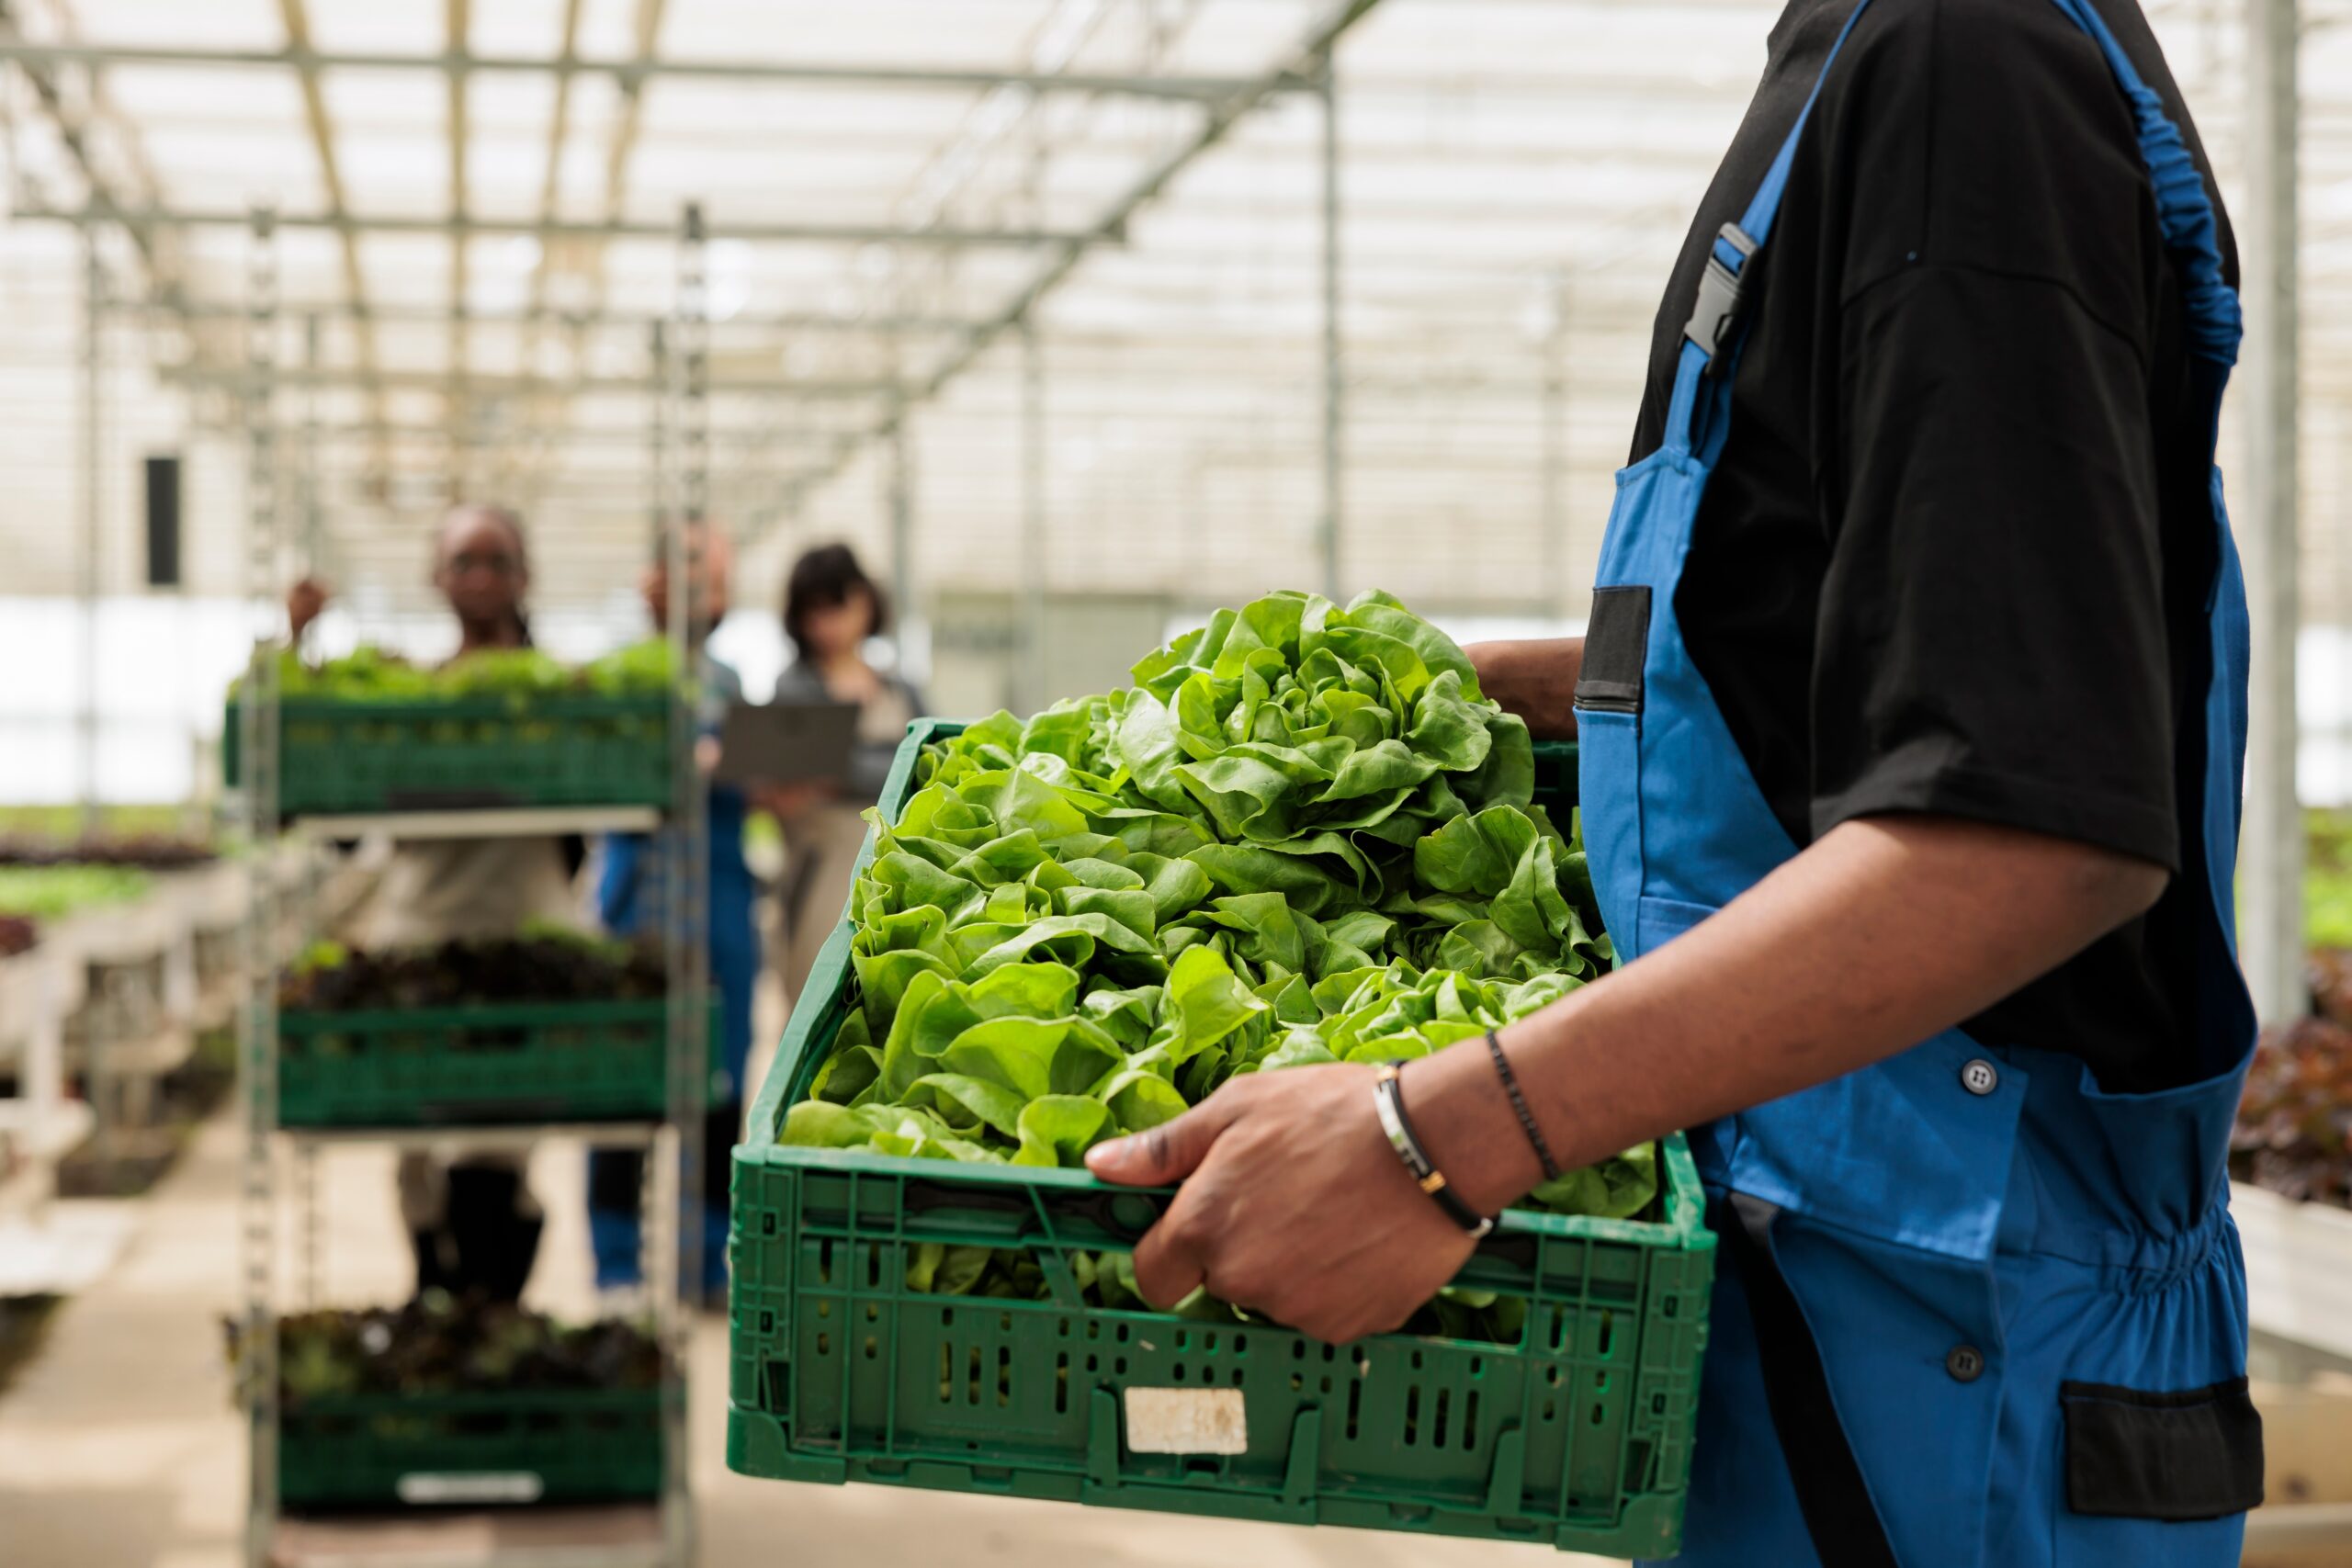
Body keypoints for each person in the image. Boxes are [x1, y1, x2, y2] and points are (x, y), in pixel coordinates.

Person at [1083, 4, 2263, 1565]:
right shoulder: (1869, 67)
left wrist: (1434, 1138)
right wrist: (1512, 702)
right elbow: (1888, 649)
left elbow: (2023, 830)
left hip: (1957, 1376)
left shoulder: (1958, 66)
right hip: (1838, 1317)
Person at [289, 502, 575, 1303]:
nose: (479, 577)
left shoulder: (560, 699)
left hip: (524, 933)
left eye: (495, 560)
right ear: (437, 578)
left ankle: (485, 1314)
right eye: (463, 561)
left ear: (524, 576)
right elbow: (341, 825)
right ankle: (439, 1300)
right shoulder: (412, 694)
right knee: (415, 1142)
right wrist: (300, 645)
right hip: (420, 933)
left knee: (496, 1146)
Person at [585, 520, 756, 1300]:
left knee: (718, 1086)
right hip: (637, 905)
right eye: (693, 571)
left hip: (719, 908)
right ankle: (617, 1263)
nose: (707, 592)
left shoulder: (731, 684)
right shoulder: (622, 678)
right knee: (621, 1081)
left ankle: (705, 1257)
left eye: (719, 578)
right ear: (652, 579)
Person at [765, 544, 925, 1005]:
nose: (828, 626)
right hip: (820, 867)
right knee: (819, 990)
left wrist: (846, 768)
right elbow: (821, 763)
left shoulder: (899, 687)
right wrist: (887, 763)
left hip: (898, 867)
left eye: (837, 606)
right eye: (813, 613)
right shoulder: (796, 686)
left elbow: (930, 756)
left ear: (865, 602)